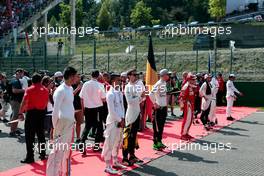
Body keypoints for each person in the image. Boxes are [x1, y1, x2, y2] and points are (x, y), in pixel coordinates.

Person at [46, 67, 77, 176]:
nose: (76, 78)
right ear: (71, 76)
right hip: (61, 126)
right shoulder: (60, 90)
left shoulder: (70, 88)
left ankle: (64, 173)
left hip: (69, 124)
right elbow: (55, 111)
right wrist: (55, 128)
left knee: (66, 152)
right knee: (57, 153)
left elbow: (69, 107)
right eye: (75, 76)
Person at [18, 73, 49, 163]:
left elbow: (24, 102)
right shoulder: (46, 90)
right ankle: (43, 154)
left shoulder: (29, 89)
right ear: (40, 80)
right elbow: (46, 102)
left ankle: (30, 156)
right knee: (41, 135)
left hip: (31, 113)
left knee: (29, 136)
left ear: (32, 80)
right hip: (41, 113)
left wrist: (20, 113)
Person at [101, 73, 127, 174]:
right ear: (112, 81)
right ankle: (107, 165)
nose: (120, 82)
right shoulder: (110, 94)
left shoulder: (119, 93)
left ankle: (115, 161)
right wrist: (120, 120)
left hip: (120, 121)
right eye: (118, 80)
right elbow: (111, 111)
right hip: (112, 122)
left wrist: (123, 119)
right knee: (109, 144)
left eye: (120, 80)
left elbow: (123, 107)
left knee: (118, 142)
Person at [79, 70, 106, 154]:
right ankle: (96, 147)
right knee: (99, 127)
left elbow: (81, 97)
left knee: (87, 126)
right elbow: (103, 98)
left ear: (91, 75)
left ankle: (82, 143)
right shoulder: (100, 85)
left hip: (88, 108)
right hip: (97, 108)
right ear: (98, 76)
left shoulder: (85, 84)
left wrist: (83, 109)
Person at [122, 69, 144, 166]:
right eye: (134, 75)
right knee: (127, 136)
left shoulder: (137, 85)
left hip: (137, 112)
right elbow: (130, 101)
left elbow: (143, 96)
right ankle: (124, 157)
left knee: (134, 136)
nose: (136, 76)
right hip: (130, 114)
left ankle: (132, 155)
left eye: (136, 75)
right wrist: (140, 97)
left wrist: (141, 97)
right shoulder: (127, 87)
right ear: (129, 76)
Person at [149, 69, 170, 150]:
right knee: (157, 126)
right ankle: (155, 143)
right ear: (164, 75)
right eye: (167, 74)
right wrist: (155, 103)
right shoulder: (158, 83)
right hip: (158, 109)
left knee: (161, 126)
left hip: (163, 107)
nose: (168, 76)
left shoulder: (164, 83)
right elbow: (151, 94)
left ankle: (159, 141)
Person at [179, 73, 197, 140]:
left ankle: (186, 133)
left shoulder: (191, 86)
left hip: (191, 104)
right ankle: (183, 134)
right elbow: (181, 97)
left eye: (194, 79)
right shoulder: (186, 86)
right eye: (193, 79)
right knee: (187, 119)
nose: (194, 80)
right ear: (189, 80)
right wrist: (182, 106)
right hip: (187, 104)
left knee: (190, 119)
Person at [9, 69, 25, 137]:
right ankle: (12, 131)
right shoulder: (15, 80)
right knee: (15, 116)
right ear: (18, 73)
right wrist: (24, 90)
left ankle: (14, 130)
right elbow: (14, 90)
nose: (23, 75)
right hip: (15, 101)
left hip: (16, 100)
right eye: (22, 73)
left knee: (16, 115)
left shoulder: (16, 80)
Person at [72, 73, 84, 143]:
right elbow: (71, 94)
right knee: (70, 125)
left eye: (79, 77)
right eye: (77, 77)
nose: (79, 78)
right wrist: (78, 88)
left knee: (78, 123)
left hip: (79, 107)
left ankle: (78, 138)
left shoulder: (82, 85)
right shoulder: (70, 85)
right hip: (71, 108)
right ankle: (71, 139)